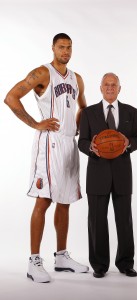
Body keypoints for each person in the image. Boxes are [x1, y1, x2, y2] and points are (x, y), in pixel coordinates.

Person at [4, 33, 89, 283]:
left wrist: (78, 129)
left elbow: (83, 107)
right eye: (61, 47)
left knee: (65, 202)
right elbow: (10, 97)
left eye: (69, 47)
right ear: (53, 48)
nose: (66, 51)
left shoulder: (77, 79)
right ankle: (33, 261)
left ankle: (61, 257)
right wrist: (35, 123)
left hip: (68, 144)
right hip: (49, 144)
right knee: (44, 201)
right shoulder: (42, 73)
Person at [78, 73, 137, 278]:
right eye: (107, 84)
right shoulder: (88, 113)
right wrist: (91, 147)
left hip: (122, 173)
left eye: (114, 85)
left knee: (124, 220)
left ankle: (125, 263)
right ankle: (99, 265)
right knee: (96, 221)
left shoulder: (132, 112)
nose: (110, 88)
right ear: (101, 88)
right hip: (97, 173)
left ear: (120, 89)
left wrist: (127, 143)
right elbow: (81, 141)